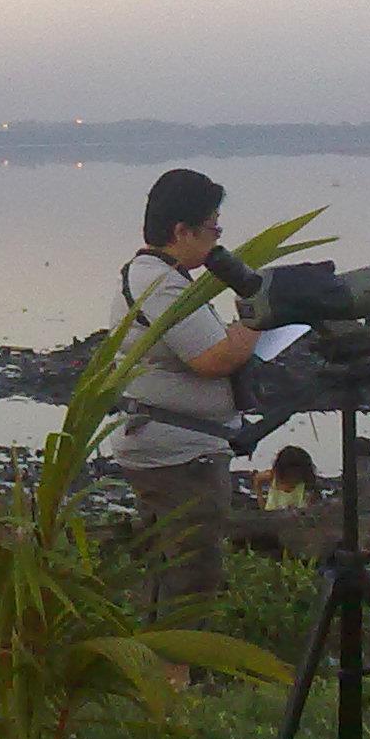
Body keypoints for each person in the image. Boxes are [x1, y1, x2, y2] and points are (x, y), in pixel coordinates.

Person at [111, 168, 262, 620]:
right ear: (182, 231)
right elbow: (214, 359)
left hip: (173, 448)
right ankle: (176, 677)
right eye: (214, 227)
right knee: (190, 574)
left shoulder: (154, 275)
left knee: (167, 567)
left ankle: (162, 672)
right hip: (180, 459)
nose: (218, 239)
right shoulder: (160, 283)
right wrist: (258, 320)